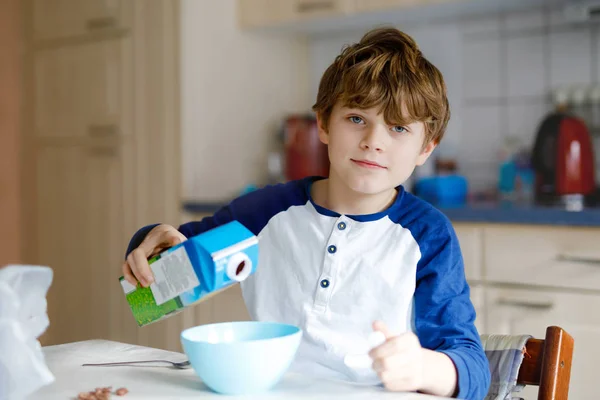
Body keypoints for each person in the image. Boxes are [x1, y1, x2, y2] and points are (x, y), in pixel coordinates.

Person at [122, 27, 491, 399]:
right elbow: (160, 282)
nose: (373, 142)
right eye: (357, 119)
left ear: (426, 147)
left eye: (398, 127)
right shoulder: (265, 212)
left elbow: (474, 371)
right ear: (324, 123)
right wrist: (149, 247)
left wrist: (424, 367)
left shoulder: (428, 235)